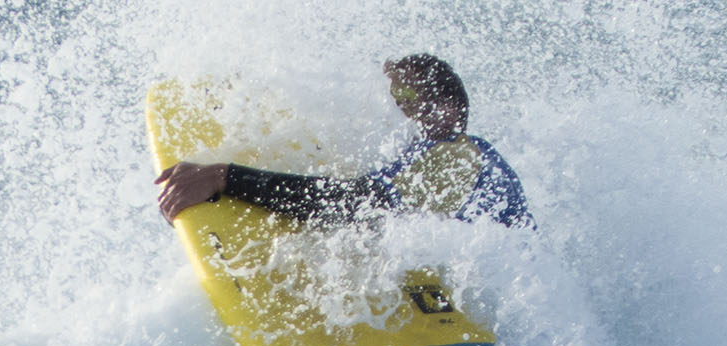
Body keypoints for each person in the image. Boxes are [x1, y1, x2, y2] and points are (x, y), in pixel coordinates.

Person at [156, 53, 532, 228]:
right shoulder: (417, 156)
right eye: (391, 97)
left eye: (406, 100)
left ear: (448, 111)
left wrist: (226, 178)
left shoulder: (458, 157)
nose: (394, 108)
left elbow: (361, 203)